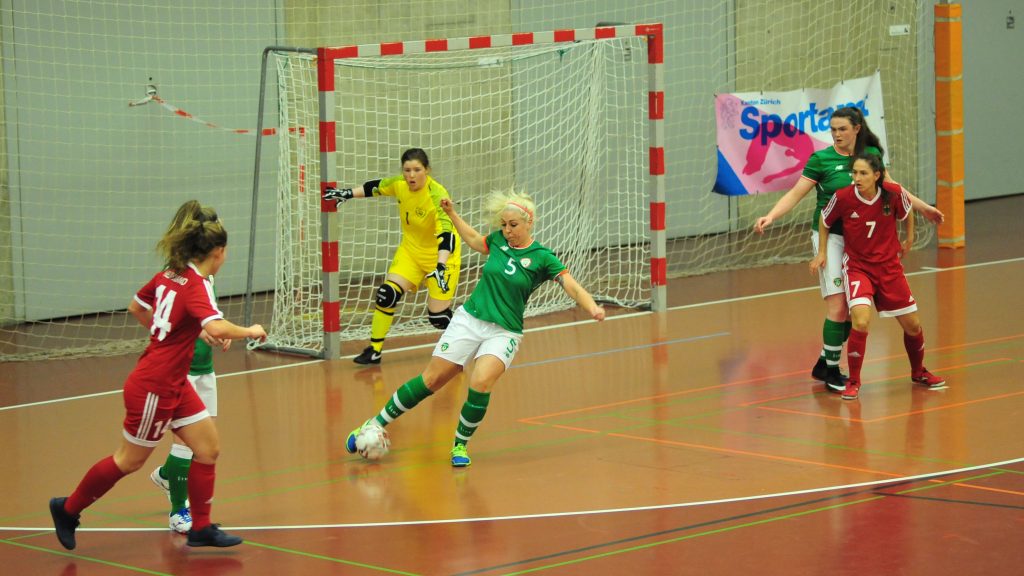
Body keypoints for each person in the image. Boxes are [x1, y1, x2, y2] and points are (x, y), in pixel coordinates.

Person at [48, 200, 267, 550]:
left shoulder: (170, 274)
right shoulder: (196, 283)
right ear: (218, 252)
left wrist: (170, 334)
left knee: (207, 448)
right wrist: (251, 330)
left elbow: (138, 306)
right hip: (155, 387)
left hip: (174, 381)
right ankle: (68, 509)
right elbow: (215, 325)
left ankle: (201, 527)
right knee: (128, 460)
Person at [344, 189, 605, 466]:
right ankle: (373, 423)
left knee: (480, 382)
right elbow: (473, 239)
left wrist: (592, 307)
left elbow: (571, 286)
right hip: (469, 320)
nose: (507, 230)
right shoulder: (497, 241)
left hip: (504, 331)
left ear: (529, 223)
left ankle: (460, 445)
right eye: (503, 224)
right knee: (432, 380)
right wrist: (451, 213)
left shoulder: (542, 257)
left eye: (513, 225)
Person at [753, 106, 944, 393]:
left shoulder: (869, 157)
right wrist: (771, 216)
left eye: (842, 129)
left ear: (856, 129)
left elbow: (894, 188)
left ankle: (823, 361)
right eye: (833, 129)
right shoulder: (821, 160)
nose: (837, 134)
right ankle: (832, 369)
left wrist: (925, 208)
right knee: (839, 306)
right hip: (831, 237)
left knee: (853, 309)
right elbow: (795, 193)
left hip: (862, 241)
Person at [810, 153, 945, 400]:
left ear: (876, 175)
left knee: (913, 326)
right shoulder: (843, 197)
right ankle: (854, 381)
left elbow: (907, 211)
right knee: (860, 321)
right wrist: (821, 253)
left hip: (889, 269)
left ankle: (919, 372)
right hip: (858, 268)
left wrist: (909, 238)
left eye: (863, 173)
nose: (857, 178)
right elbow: (824, 220)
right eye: (854, 173)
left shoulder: (892, 193)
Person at [323, 148, 461, 365]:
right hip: (411, 253)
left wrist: (441, 265)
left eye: (417, 170)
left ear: (427, 170)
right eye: (407, 170)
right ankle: (374, 350)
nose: (411, 175)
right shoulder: (400, 184)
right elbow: (375, 187)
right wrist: (347, 193)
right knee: (386, 294)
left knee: (438, 318)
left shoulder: (437, 195)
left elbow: (447, 234)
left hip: (440, 257)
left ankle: (466, 341)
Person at [147, 203, 232, 535]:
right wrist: (200, 331)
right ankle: (177, 512)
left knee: (203, 441)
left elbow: (205, 314)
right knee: (187, 443)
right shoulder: (178, 273)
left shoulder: (205, 275)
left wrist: (215, 330)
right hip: (182, 368)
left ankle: (168, 476)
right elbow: (168, 317)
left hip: (204, 366)